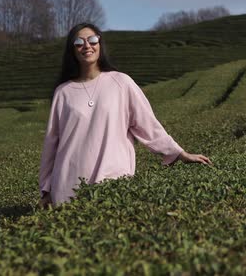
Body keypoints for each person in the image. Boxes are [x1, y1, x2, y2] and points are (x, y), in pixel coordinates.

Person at [38, 23, 212, 208]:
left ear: (100, 44)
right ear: (72, 50)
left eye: (92, 40)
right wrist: (46, 189)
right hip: (67, 187)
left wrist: (178, 152)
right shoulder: (63, 92)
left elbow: (147, 124)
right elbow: (52, 143)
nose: (87, 45)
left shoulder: (121, 82)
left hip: (113, 180)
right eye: (79, 42)